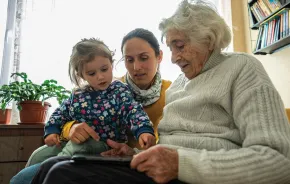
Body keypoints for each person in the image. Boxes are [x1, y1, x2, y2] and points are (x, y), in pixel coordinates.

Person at [30, 0, 290, 183]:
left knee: (61, 175)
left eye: (180, 46)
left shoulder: (242, 67)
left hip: (193, 174)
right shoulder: (179, 83)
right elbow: (165, 147)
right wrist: (133, 153)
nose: (175, 58)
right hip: (161, 171)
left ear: (208, 39)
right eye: (172, 47)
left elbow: (278, 162)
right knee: (52, 166)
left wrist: (180, 165)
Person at [10, 28, 171, 183]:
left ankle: (53, 171)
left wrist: (144, 131)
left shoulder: (123, 91)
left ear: (159, 56)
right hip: (79, 146)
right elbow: (62, 113)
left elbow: (134, 112)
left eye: (144, 58)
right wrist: (65, 129)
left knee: (46, 170)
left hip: (106, 150)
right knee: (37, 157)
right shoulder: (81, 93)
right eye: (129, 60)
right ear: (82, 75)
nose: (136, 67)